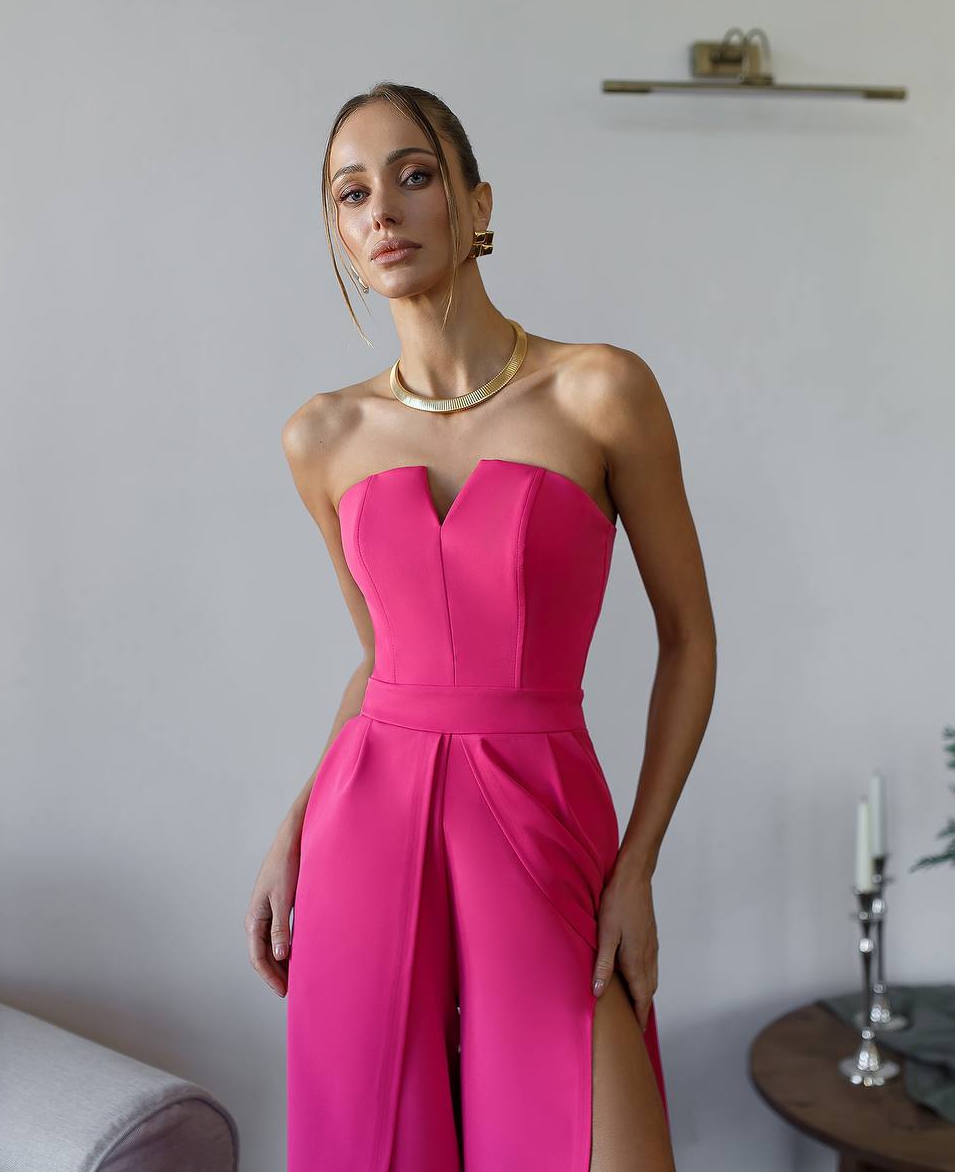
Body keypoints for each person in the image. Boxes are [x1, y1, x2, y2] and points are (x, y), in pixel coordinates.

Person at [245, 82, 716, 1172]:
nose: (382, 211)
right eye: (349, 193)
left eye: (412, 175)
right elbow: (383, 658)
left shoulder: (599, 390)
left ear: (475, 199)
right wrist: (295, 824)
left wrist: (637, 862)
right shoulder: (322, 433)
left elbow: (689, 638)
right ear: (337, 234)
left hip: (542, 814)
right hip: (366, 824)